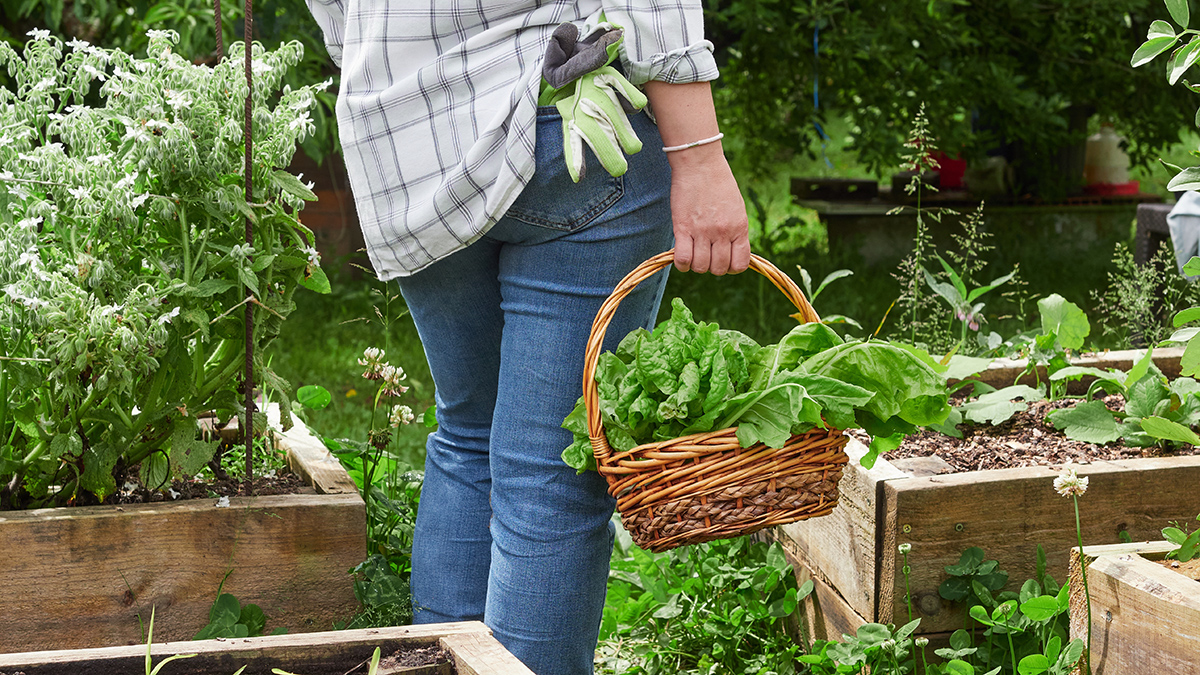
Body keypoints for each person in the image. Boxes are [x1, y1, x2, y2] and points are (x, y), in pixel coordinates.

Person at [303, 2, 750, 673]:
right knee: (549, 472)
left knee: (466, 437)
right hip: (571, 120)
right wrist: (698, 151)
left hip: (407, 136)